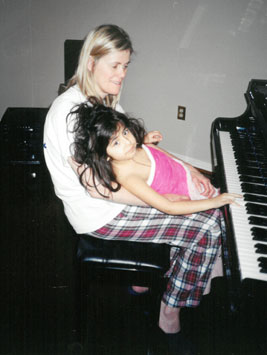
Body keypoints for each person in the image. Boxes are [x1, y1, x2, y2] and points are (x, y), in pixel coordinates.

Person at [43, 24, 230, 355]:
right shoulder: (72, 114)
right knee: (208, 223)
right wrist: (161, 202)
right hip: (99, 213)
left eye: (126, 66)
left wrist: (188, 170)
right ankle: (169, 311)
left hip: (117, 195)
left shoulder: (104, 100)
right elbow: (98, 189)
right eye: (114, 66)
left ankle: (144, 280)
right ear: (90, 62)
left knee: (200, 198)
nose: (122, 75)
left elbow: (139, 148)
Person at [69, 100, 239, 216]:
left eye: (125, 132)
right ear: (104, 155)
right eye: (116, 143)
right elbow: (169, 207)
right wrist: (216, 202)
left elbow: (169, 159)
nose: (127, 141)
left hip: (192, 180)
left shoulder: (137, 147)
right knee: (227, 217)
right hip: (188, 198)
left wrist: (194, 171)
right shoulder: (127, 177)